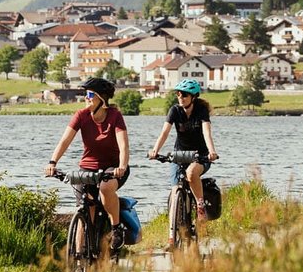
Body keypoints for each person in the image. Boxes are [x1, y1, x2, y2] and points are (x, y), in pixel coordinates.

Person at [45, 76, 131, 242]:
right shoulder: (81, 115)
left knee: (106, 188)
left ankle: (116, 228)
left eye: (90, 95)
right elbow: (64, 141)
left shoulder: (115, 116)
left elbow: (123, 145)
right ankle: (79, 259)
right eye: (85, 94)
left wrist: (122, 166)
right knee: (85, 208)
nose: (86, 98)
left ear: (101, 99)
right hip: (87, 168)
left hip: (112, 167)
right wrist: (52, 162)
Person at [148, 78, 218, 239]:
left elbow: (207, 132)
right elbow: (164, 132)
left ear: (193, 97)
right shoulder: (175, 110)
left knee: (192, 173)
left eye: (185, 95)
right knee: (174, 193)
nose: (180, 97)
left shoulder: (201, 110)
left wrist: (212, 152)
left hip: (200, 155)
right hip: (179, 154)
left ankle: (200, 207)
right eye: (178, 94)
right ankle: (172, 237)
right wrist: (155, 150)